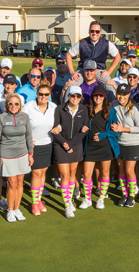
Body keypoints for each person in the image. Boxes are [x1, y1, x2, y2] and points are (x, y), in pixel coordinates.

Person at [0, 93, 33, 223]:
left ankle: (17, 208)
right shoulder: (2, 118)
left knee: (20, 182)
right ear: (7, 105)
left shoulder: (25, 117)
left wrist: (31, 154)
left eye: (16, 104)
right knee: (11, 183)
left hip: (22, 154)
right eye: (11, 103)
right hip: (6, 155)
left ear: (20, 105)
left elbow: (29, 137)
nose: (13, 106)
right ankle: (10, 210)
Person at [51, 86, 89, 218]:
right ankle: (67, 205)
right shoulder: (60, 109)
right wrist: (65, 144)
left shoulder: (83, 109)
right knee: (64, 175)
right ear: (68, 96)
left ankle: (70, 199)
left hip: (75, 145)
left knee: (73, 173)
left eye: (78, 96)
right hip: (61, 145)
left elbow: (84, 131)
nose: (75, 99)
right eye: (73, 96)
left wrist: (71, 144)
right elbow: (55, 130)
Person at [80, 85, 120, 210]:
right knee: (86, 174)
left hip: (105, 146)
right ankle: (87, 199)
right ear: (93, 96)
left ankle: (101, 198)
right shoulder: (87, 109)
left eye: (101, 96)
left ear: (104, 97)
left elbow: (117, 130)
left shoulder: (110, 110)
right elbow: (80, 123)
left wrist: (104, 135)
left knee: (105, 173)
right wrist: (82, 128)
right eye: (96, 95)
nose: (98, 97)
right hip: (90, 146)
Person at [23, 81, 57, 216]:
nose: (43, 97)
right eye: (41, 94)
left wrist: (58, 128)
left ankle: (38, 200)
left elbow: (59, 124)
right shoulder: (28, 107)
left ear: (50, 95)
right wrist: (27, 139)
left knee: (43, 172)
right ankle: (34, 202)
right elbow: (22, 124)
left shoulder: (54, 107)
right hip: (34, 145)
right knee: (36, 173)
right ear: (36, 94)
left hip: (48, 143)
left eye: (46, 94)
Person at [111, 84, 139, 207]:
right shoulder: (113, 105)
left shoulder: (135, 109)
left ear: (129, 95)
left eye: (124, 94)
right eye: (119, 94)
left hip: (132, 143)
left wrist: (121, 128)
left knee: (129, 170)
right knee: (121, 169)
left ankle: (131, 195)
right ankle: (124, 194)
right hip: (119, 143)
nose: (121, 97)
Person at [67, 21, 121, 86]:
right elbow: (68, 55)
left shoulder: (106, 43)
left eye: (97, 31)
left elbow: (117, 57)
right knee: (71, 85)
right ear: (89, 31)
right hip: (83, 69)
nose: (94, 33)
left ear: (101, 32)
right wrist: (72, 72)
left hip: (99, 70)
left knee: (110, 86)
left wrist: (109, 71)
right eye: (92, 31)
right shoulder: (82, 43)